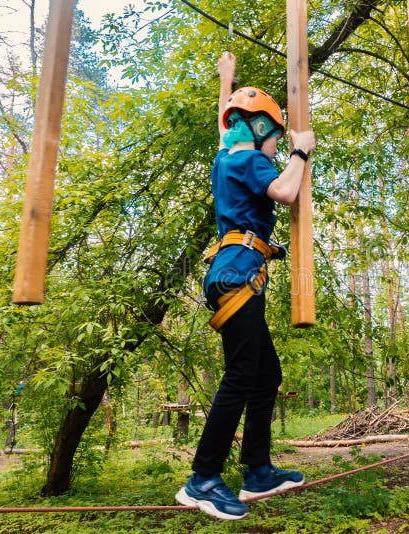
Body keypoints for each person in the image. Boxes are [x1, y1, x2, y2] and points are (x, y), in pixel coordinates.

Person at [175, 52, 316, 521]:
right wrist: (301, 150)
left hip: (232, 275)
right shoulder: (253, 162)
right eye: (274, 138)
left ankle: (257, 471)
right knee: (240, 378)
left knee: (265, 375)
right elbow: (286, 191)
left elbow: (226, 123)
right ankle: (202, 479)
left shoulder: (225, 156)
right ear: (258, 133)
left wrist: (227, 81)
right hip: (237, 276)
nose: (276, 146)